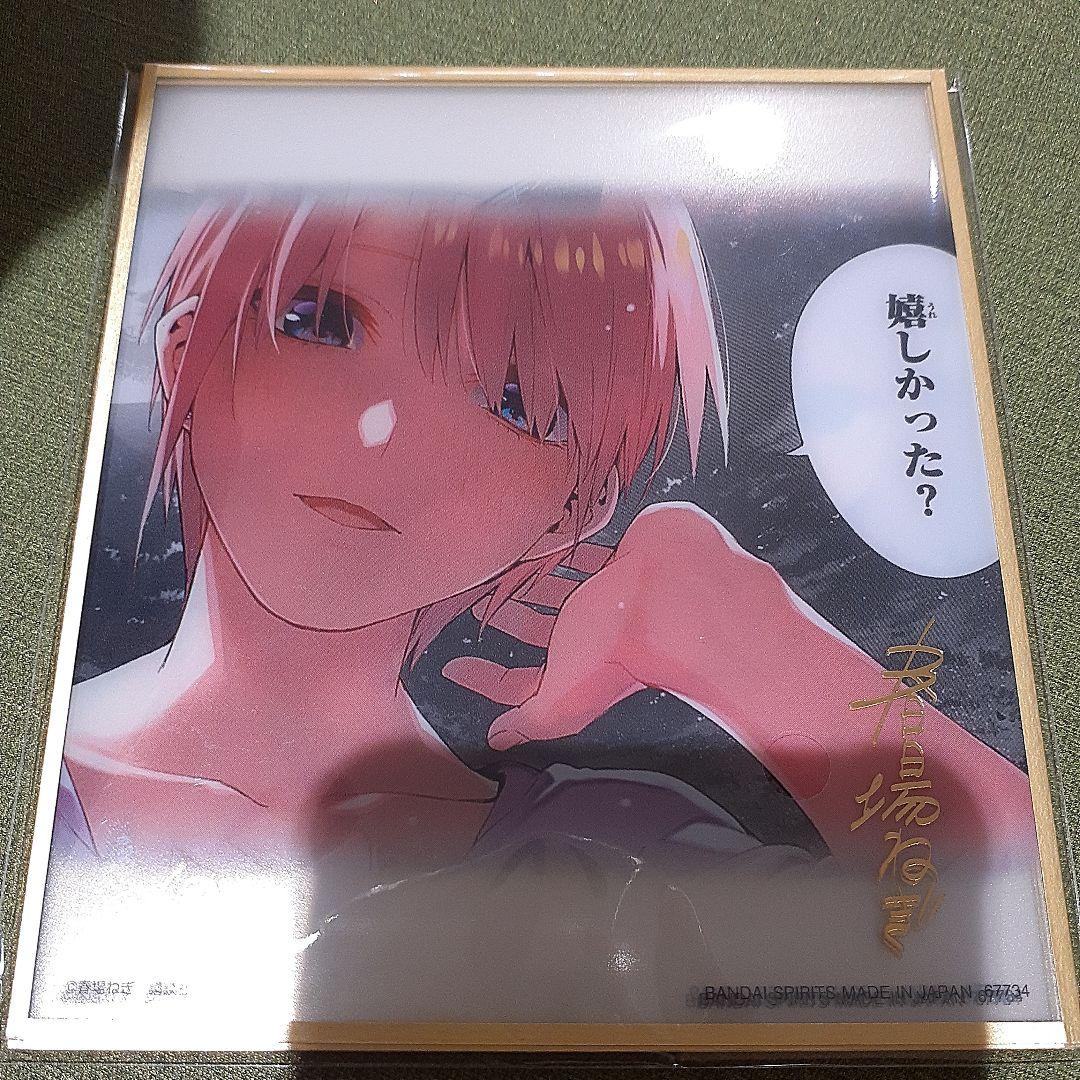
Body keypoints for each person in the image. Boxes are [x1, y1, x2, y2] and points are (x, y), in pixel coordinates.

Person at [45, 191, 1045, 1023]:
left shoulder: (611, 846)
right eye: (318, 321)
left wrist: (743, 634)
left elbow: (1017, 946)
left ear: (574, 508)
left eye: (513, 400)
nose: (382, 429)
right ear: (185, 350)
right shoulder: (36, 778)